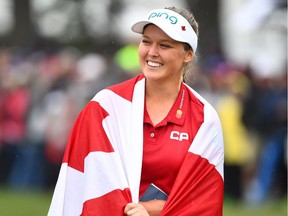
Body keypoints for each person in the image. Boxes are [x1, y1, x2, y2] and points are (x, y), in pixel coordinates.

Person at [48, 6, 224, 216]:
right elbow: (84, 186)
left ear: (188, 55)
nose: (152, 52)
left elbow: (203, 201)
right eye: (146, 41)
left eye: (164, 45)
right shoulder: (105, 106)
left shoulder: (205, 118)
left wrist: (152, 210)